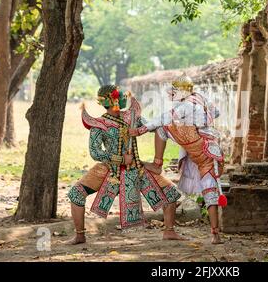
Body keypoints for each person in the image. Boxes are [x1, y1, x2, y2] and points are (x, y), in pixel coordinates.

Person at [67, 85, 186, 245]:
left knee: (171, 194)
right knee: (76, 194)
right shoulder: (99, 125)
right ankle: (80, 235)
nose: (125, 98)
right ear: (111, 100)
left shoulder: (132, 117)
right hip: (110, 170)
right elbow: (95, 152)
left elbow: (153, 128)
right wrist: (121, 159)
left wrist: (157, 156)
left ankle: (169, 231)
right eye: (121, 96)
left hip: (137, 168)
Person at [129, 75, 227, 244]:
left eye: (175, 91)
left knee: (161, 128)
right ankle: (215, 234)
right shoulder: (200, 98)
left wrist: (140, 130)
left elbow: (163, 119)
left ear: (183, 91)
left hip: (197, 145)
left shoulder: (186, 106)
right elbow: (215, 113)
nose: (172, 94)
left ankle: (156, 164)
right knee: (210, 192)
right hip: (211, 150)